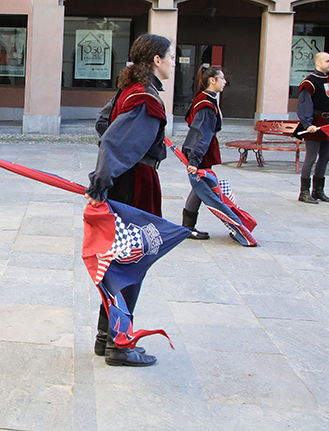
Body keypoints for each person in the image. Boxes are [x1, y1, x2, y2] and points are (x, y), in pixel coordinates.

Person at [86, 33, 175, 367]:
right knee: (131, 263)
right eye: (169, 56)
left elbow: (102, 124)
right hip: (136, 184)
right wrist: (101, 182)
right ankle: (119, 346)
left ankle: (105, 338)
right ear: (156, 60)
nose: (171, 62)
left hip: (128, 180)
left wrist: (109, 177)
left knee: (120, 262)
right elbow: (113, 142)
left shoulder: (130, 89)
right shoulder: (146, 99)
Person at [180, 65, 227, 240]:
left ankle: (188, 227)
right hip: (200, 150)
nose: (225, 82)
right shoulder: (206, 103)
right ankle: (187, 227)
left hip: (201, 150)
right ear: (212, 80)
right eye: (222, 78)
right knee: (200, 187)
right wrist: (194, 159)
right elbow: (201, 133)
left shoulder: (204, 98)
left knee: (201, 187)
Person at [297, 51, 329, 204]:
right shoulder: (309, 82)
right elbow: (304, 105)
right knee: (311, 157)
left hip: (328, 123)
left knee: (325, 156)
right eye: (328, 61)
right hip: (314, 123)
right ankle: (304, 193)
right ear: (318, 63)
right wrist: (308, 124)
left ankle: (318, 191)